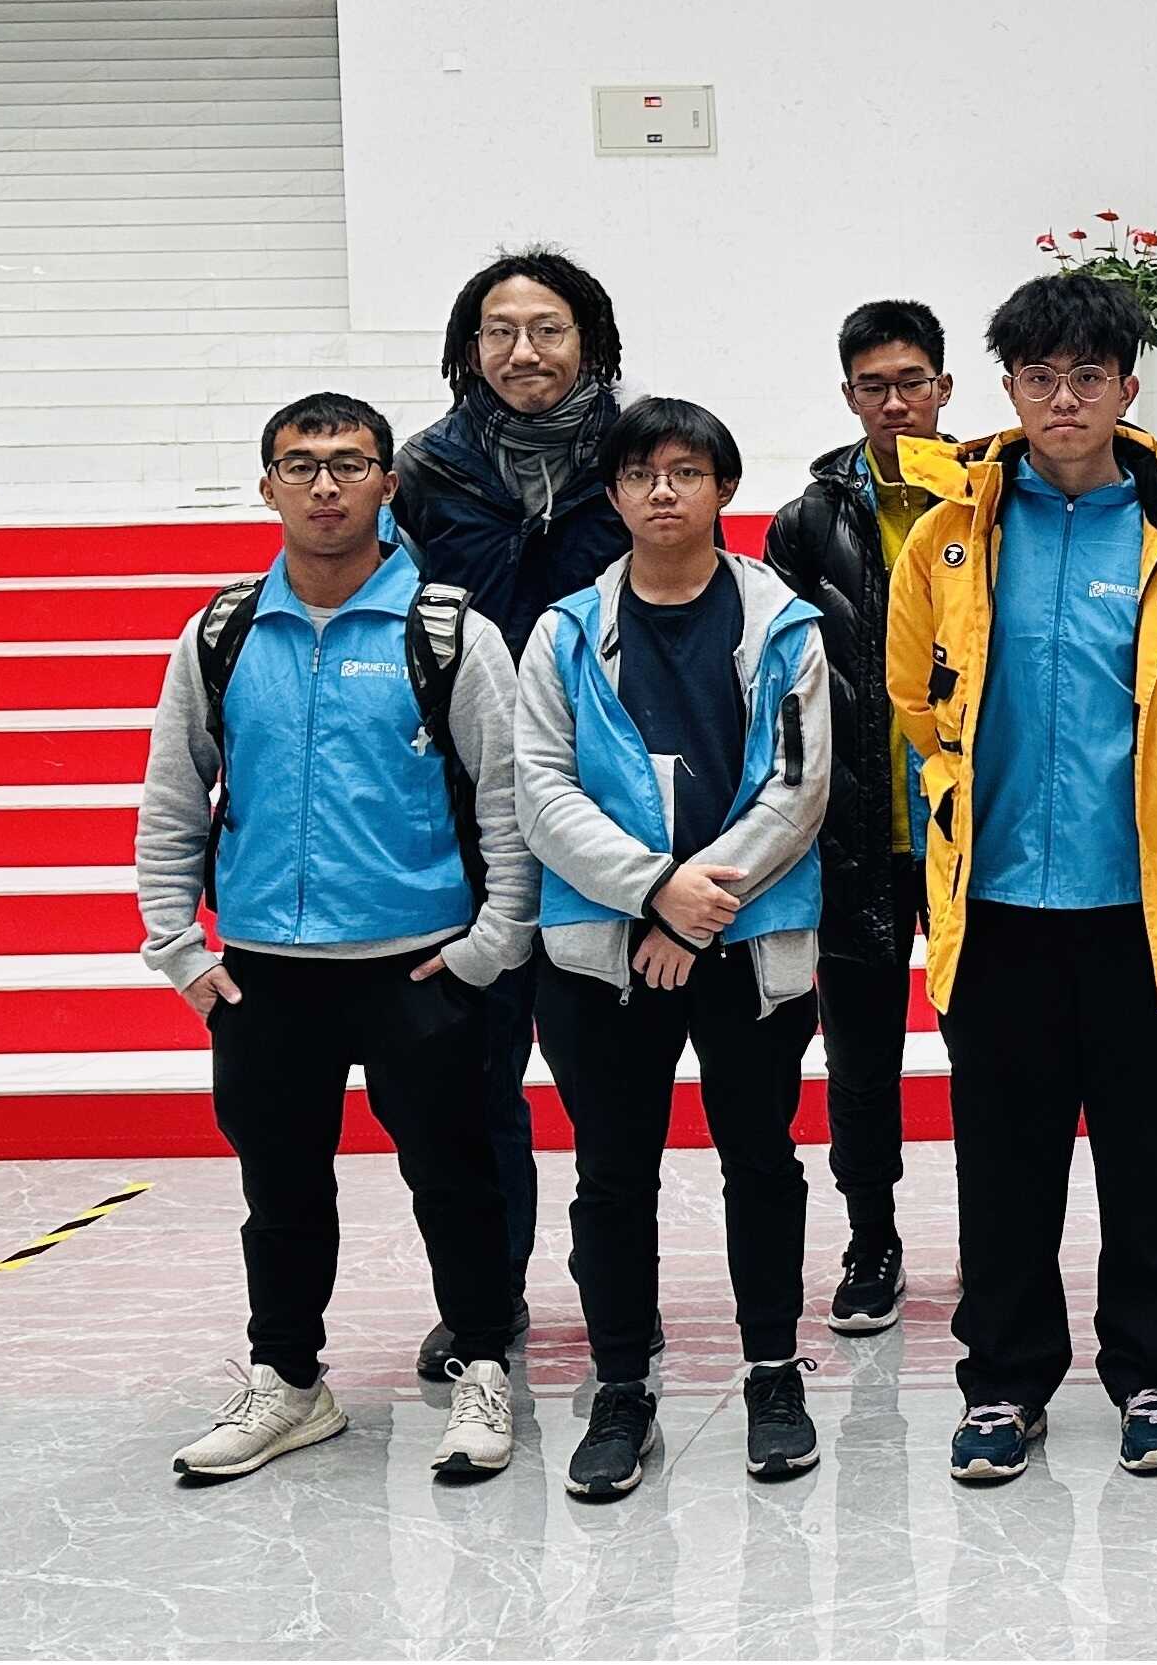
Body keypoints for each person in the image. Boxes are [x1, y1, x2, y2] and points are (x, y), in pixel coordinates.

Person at [890, 275, 1157, 1485]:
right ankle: (1003, 1384)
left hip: (1149, 907)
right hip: (996, 904)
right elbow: (914, 699)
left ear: (1127, 388)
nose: (1064, 399)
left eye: (1087, 377)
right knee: (1005, 1167)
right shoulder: (950, 534)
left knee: (1154, 1162)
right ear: (1006, 387)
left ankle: (1150, 1370)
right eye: (1041, 377)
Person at [141, 394, 532, 1486]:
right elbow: (174, 794)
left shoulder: (448, 631)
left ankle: (482, 1367)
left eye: (349, 463)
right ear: (266, 485)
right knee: (281, 1193)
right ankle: (288, 1380)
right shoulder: (222, 633)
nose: (324, 485)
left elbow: (507, 797)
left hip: (420, 966)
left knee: (455, 1181)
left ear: (387, 485)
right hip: (265, 974)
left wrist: (492, 943)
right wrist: (181, 950)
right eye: (300, 464)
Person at [514, 397, 833, 1502]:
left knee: (761, 1161)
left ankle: (773, 1372)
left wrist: (695, 912)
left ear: (723, 488)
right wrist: (654, 891)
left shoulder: (784, 623)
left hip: (749, 940)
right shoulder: (562, 632)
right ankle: (620, 1386)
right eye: (642, 472)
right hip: (605, 948)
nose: (663, 490)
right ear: (611, 494)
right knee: (611, 1173)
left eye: (686, 471)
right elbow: (541, 787)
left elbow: (799, 789)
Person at [389, 247, 634, 1381]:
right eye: (499, 330)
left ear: (590, 340)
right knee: (475, 1080)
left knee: (607, 1081)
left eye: (547, 328)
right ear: (468, 347)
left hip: (608, 812)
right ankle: (487, 1295)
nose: (523, 350)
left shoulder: (641, 457)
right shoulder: (423, 475)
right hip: (470, 817)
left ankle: (618, 1288)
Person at [764, 298, 964, 1342]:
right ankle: (871, 1240)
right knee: (859, 1056)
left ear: (944, 388)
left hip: (971, 831)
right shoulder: (807, 523)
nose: (895, 403)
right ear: (848, 395)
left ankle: (994, 1233)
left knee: (990, 1049)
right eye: (874, 386)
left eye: (911, 382)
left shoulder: (991, 496)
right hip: (853, 831)